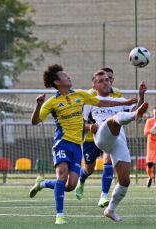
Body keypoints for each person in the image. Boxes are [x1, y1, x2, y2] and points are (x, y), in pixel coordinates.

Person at [29, 65, 138, 225]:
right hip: (61, 143)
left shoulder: (80, 95)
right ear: (57, 82)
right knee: (62, 175)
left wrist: (127, 101)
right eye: (65, 75)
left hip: (76, 145)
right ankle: (60, 215)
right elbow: (35, 121)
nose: (69, 77)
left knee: (70, 185)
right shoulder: (52, 102)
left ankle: (43, 183)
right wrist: (38, 105)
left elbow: (101, 102)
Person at [83, 70, 148, 222]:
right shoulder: (90, 101)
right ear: (94, 85)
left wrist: (141, 96)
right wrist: (89, 127)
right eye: (101, 81)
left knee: (125, 180)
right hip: (102, 137)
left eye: (107, 80)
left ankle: (110, 209)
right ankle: (132, 117)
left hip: (119, 141)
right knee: (116, 118)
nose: (106, 82)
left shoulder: (119, 100)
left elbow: (136, 109)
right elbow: (81, 122)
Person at [75, 67, 122, 208]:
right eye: (104, 79)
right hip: (91, 138)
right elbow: (78, 120)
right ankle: (81, 180)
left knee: (108, 159)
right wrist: (89, 127)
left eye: (110, 79)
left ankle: (104, 196)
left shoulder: (118, 94)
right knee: (89, 169)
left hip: (108, 136)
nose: (108, 82)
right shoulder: (89, 96)